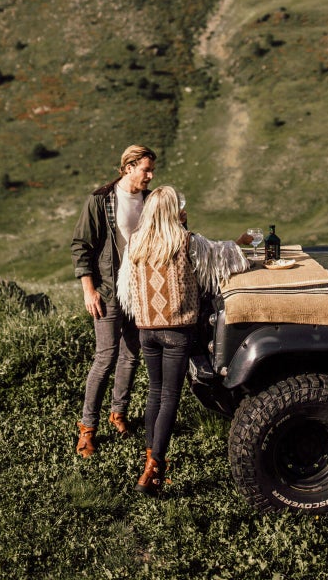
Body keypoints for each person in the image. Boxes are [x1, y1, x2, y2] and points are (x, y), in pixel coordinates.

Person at [117, 185, 251, 494]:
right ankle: (155, 467)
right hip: (177, 330)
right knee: (169, 397)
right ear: (174, 210)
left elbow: (126, 289)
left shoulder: (135, 243)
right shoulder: (186, 241)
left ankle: (150, 456)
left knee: (154, 392)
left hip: (147, 330)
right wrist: (240, 243)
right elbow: (223, 260)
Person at [71, 144, 156, 457]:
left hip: (138, 290)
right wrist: (88, 290)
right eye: (146, 169)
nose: (150, 175)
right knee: (105, 357)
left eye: (152, 170)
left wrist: (181, 221)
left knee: (132, 354)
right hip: (106, 290)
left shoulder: (151, 200)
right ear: (129, 167)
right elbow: (81, 246)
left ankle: (118, 413)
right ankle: (87, 428)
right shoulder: (101, 199)